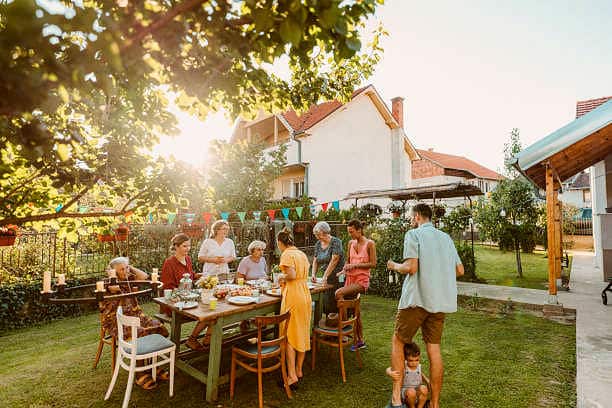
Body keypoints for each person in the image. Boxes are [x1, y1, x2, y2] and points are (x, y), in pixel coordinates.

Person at [386, 203, 464, 408]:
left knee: (398, 341)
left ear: (418, 216)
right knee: (434, 349)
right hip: (439, 302)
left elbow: (411, 267)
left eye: (413, 217)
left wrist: (394, 265)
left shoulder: (414, 234)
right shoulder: (446, 238)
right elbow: (459, 270)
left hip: (416, 299)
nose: (412, 220)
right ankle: (435, 404)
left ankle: (396, 398)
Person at [100, 257, 169, 390]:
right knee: (140, 333)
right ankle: (140, 372)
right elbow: (113, 288)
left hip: (136, 315)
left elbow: (145, 277)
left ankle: (153, 366)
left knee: (158, 327)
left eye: (126, 268)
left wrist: (128, 267)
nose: (125, 271)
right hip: (117, 320)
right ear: (113, 271)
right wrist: (112, 275)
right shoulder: (107, 282)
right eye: (121, 269)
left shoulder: (129, 277)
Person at [161, 233, 211, 352]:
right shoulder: (169, 263)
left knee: (213, 310)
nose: (187, 249)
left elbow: (191, 275)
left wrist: (200, 276)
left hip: (190, 298)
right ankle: (193, 339)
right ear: (176, 247)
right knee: (209, 313)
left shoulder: (188, 259)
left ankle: (208, 339)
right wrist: (183, 294)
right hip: (175, 303)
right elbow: (168, 286)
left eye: (189, 246)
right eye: (184, 246)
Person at [277, 228, 312, 389]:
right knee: (302, 331)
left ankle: (291, 376)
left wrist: (281, 276)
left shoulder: (287, 254)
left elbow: (291, 275)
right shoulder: (301, 254)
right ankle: (298, 370)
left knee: (289, 334)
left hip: (293, 295)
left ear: (280, 243)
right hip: (305, 293)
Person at [336, 219, 376, 351]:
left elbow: (373, 264)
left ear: (359, 230)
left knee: (339, 293)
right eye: (349, 232)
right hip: (350, 278)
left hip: (361, 281)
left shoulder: (370, 244)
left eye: (352, 232)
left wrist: (356, 265)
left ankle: (345, 331)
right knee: (356, 311)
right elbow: (348, 261)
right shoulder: (350, 243)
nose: (350, 234)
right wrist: (343, 270)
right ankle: (360, 340)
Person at [311, 221, 345, 316]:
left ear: (323, 232)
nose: (316, 236)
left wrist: (325, 276)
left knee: (336, 297)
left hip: (338, 275)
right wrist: (313, 274)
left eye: (317, 234)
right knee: (326, 299)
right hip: (326, 276)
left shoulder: (336, 242)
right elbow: (315, 261)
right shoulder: (318, 244)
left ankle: (338, 320)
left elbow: (334, 260)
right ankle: (327, 320)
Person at [386, 342, 429, 408]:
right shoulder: (403, 366)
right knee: (411, 392)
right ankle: (412, 406)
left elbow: (420, 373)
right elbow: (389, 369)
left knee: (424, 388)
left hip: (417, 389)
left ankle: (420, 406)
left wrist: (427, 380)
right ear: (405, 358)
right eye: (411, 360)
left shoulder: (418, 366)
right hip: (406, 392)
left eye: (417, 360)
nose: (414, 363)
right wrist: (390, 373)